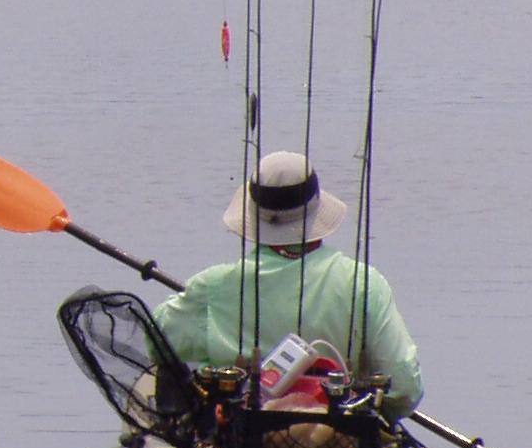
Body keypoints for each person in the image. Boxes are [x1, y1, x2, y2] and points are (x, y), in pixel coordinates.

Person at [152, 150, 423, 420]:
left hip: (242, 436)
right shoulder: (365, 284)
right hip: (342, 437)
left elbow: (156, 341)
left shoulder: (212, 286)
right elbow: (405, 387)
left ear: (253, 213)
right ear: (317, 207)